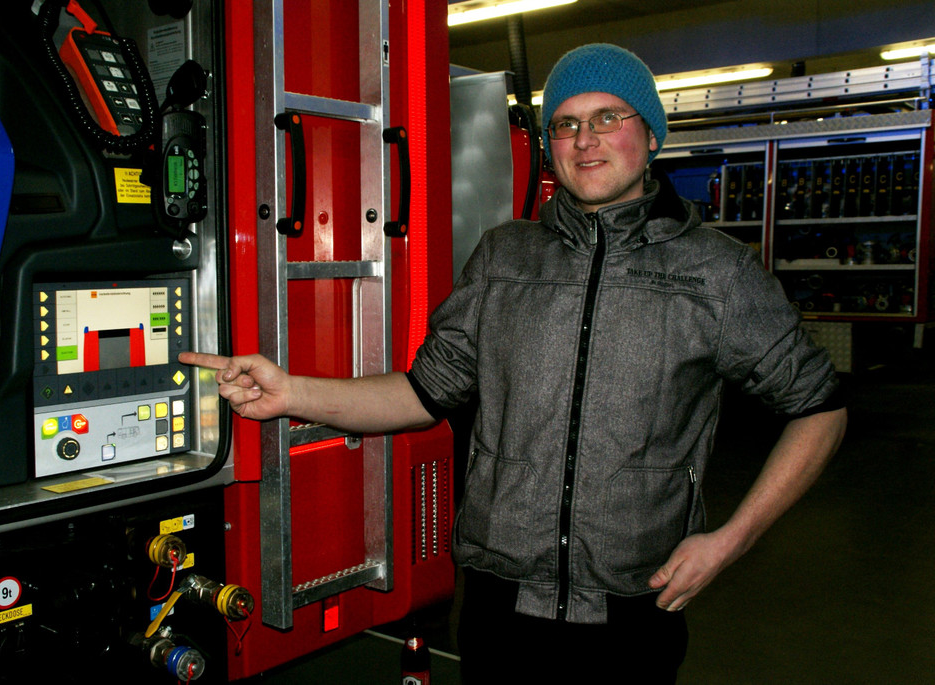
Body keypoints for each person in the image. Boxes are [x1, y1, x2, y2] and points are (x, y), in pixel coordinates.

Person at [181, 43, 847, 683]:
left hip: (635, 609)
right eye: (566, 124)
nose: (585, 139)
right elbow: (421, 393)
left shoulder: (716, 273)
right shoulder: (505, 258)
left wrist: (730, 540)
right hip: (499, 609)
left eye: (608, 118)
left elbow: (821, 408)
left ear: (651, 135)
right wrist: (292, 392)